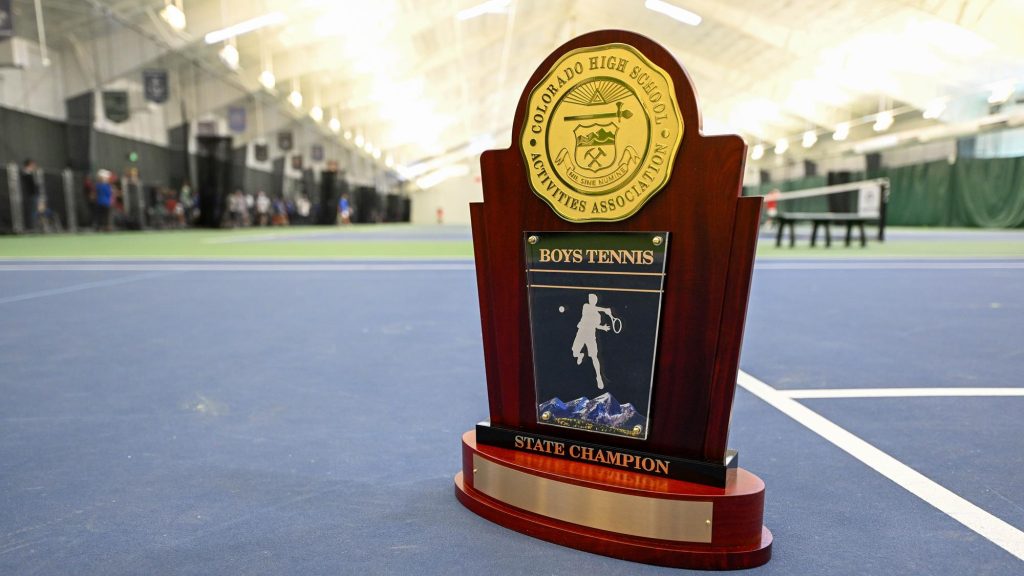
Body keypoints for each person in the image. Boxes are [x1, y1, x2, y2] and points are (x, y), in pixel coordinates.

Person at [571, 293, 614, 390]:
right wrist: (605, 309)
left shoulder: (597, 315)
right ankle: (580, 355)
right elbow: (593, 309)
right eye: (589, 298)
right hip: (581, 333)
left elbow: (596, 325)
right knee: (574, 353)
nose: (590, 300)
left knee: (594, 357)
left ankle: (599, 377)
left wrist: (603, 328)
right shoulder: (586, 306)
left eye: (592, 299)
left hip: (590, 335)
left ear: (595, 301)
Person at [20, 159, 39, 232]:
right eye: (33, 164)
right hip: (29, 196)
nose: (34, 166)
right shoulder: (24, 174)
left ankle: (33, 227)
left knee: (34, 212)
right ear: (29, 165)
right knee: (31, 212)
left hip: (33, 196)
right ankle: (31, 228)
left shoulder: (31, 174)